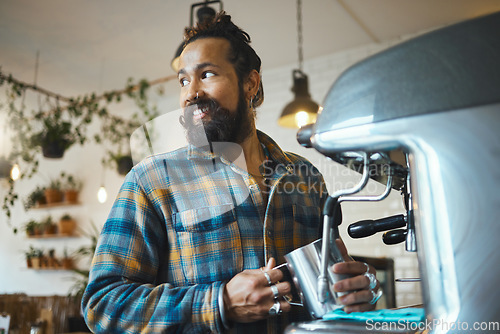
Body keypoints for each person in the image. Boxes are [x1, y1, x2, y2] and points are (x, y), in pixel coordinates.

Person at [82, 12, 379, 333]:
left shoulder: (306, 177)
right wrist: (219, 303)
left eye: (207, 74)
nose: (190, 93)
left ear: (251, 83)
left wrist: (358, 289)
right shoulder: (151, 181)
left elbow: (333, 282)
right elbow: (103, 305)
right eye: (183, 80)